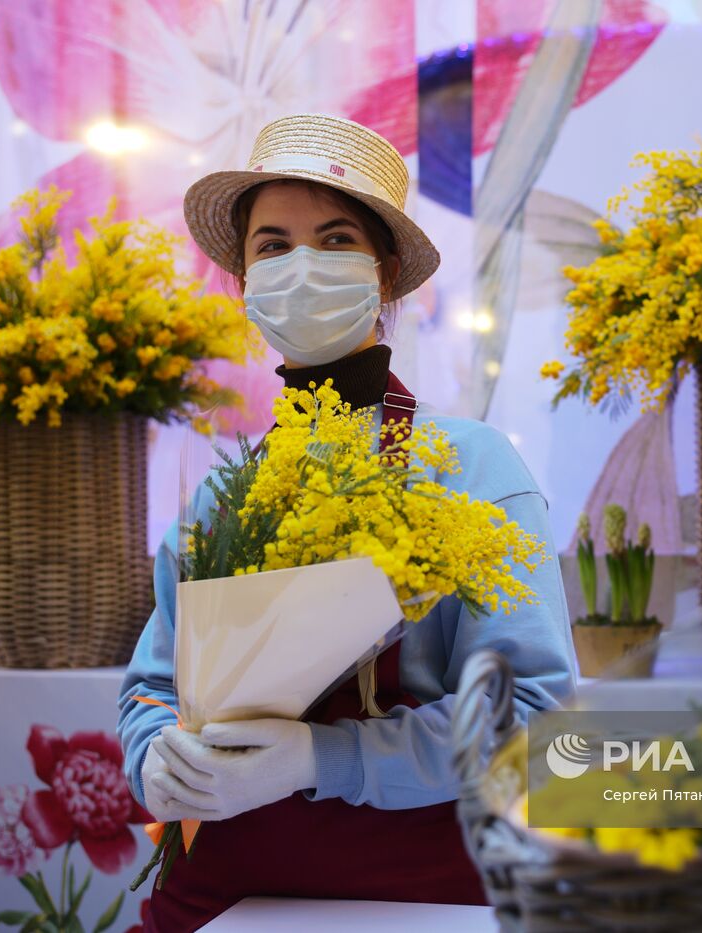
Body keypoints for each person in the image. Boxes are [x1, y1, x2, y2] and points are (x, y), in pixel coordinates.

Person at [118, 114, 576, 931]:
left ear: (385, 272)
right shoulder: (224, 496)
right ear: (244, 277)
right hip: (226, 884)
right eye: (272, 246)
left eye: (334, 241)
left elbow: (534, 711)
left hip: (421, 892)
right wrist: (156, 759)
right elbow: (153, 686)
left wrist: (321, 758)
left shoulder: (474, 468)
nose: (301, 268)